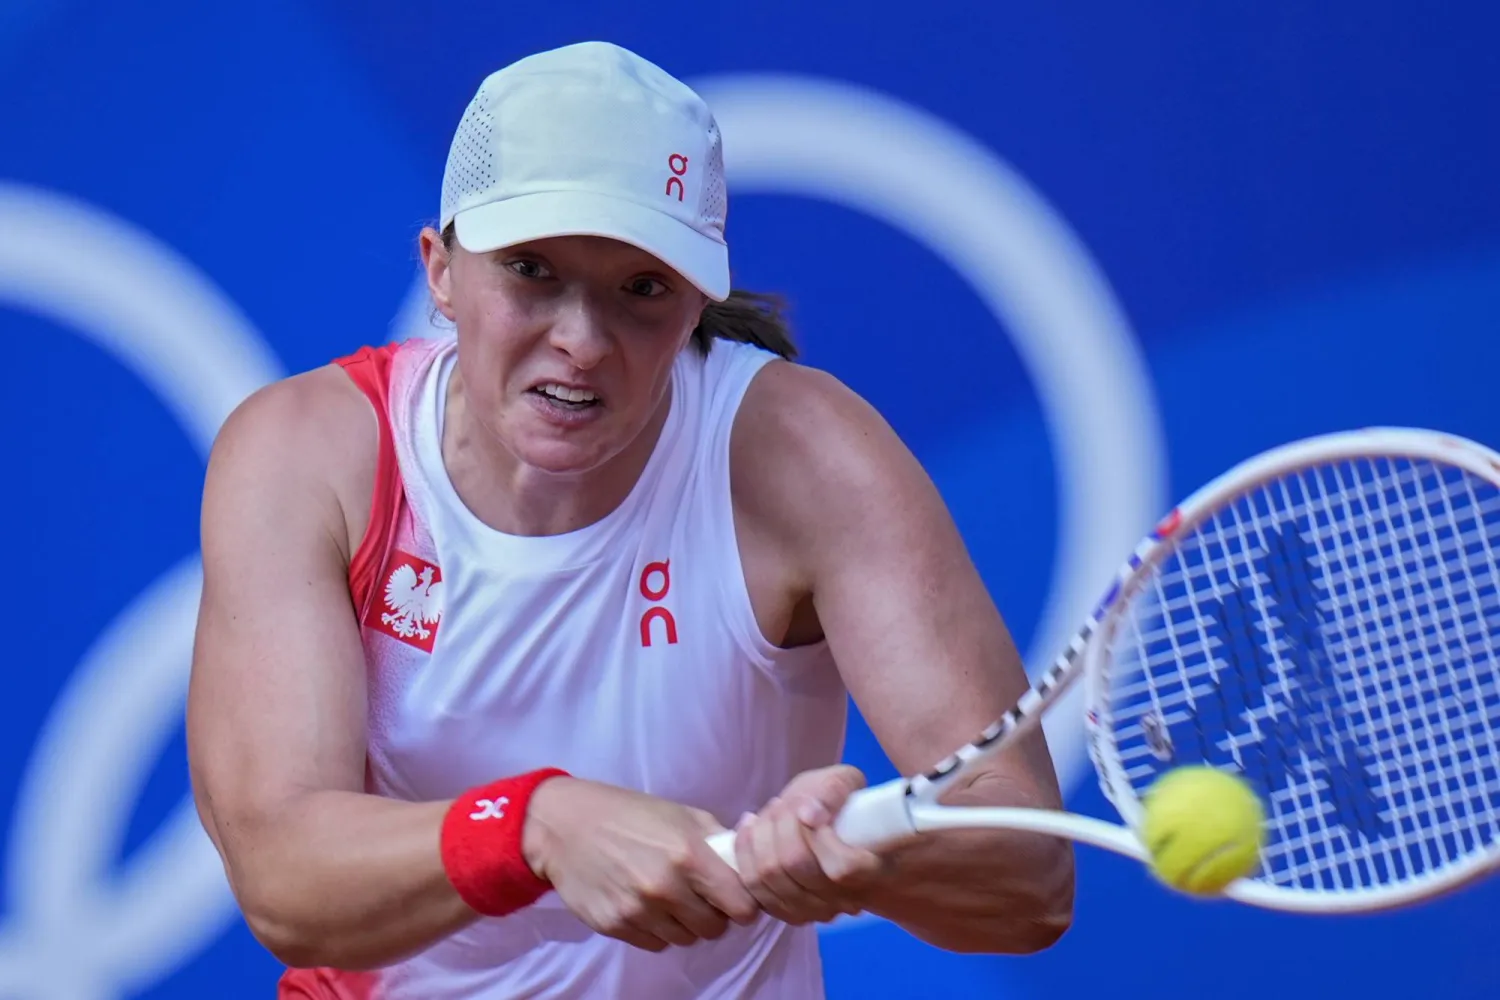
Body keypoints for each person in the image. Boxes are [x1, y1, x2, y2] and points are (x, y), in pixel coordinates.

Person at [186, 39, 1074, 1000]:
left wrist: (859, 863)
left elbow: (1029, 884)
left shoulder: (809, 458)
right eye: (531, 270)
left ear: (697, 302)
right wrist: (535, 827)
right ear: (440, 271)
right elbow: (281, 879)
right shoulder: (307, 453)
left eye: (640, 289)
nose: (581, 340)